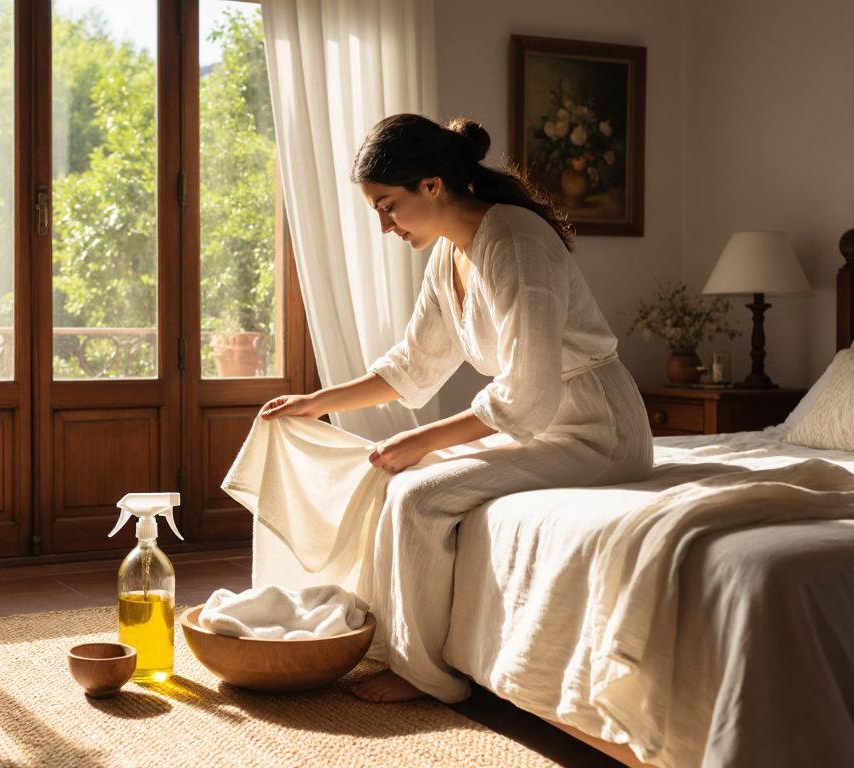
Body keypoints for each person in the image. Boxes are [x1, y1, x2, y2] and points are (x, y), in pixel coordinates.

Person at [256, 114, 653, 703]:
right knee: (396, 478)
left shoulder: (515, 243)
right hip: (541, 425)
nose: (385, 226)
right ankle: (382, 639)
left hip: (597, 430)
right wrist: (318, 402)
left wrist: (424, 439)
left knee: (418, 493)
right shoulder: (449, 254)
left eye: (388, 206)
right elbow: (413, 363)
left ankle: (427, 677)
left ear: (433, 185)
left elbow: (530, 391)